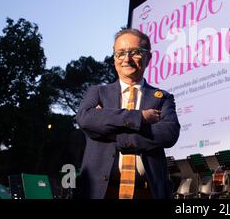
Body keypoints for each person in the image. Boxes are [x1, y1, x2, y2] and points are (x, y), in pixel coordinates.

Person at [76, 28, 180, 199]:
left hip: (148, 193)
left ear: (148, 57)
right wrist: (139, 117)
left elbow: (168, 134)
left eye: (135, 52)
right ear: (114, 58)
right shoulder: (97, 93)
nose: (126, 59)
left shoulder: (163, 98)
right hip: (101, 193)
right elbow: (85, 119)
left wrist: (112, 131)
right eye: (120, 53)